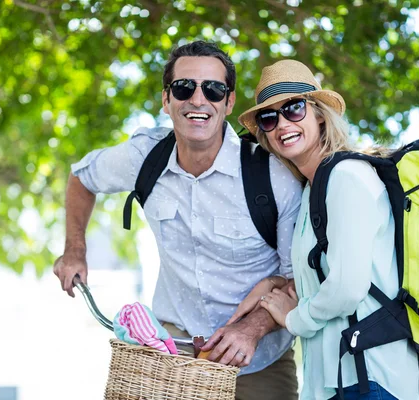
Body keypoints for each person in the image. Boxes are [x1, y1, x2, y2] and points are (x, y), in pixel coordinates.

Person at [53, 41, 302, 400]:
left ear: (229, 102)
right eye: (185, 88)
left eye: (213, 90)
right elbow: (82, 178)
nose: (198, 100)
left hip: (257, 361)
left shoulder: (273, 175)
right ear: (166, 100)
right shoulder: (144, 156)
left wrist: (252, 329)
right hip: (173, 354)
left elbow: (297, 280)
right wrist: (74, 249)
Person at [235, 59, 419, 399]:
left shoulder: (347, 177)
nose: (282, 124)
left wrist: (294, 320)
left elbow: (347, 286)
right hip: (337, 380)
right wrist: (275, 285)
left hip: (369, 380)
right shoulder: (312, 190)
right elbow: (323, 276)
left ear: (319, 113)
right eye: (269, 117)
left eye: (293, 108)